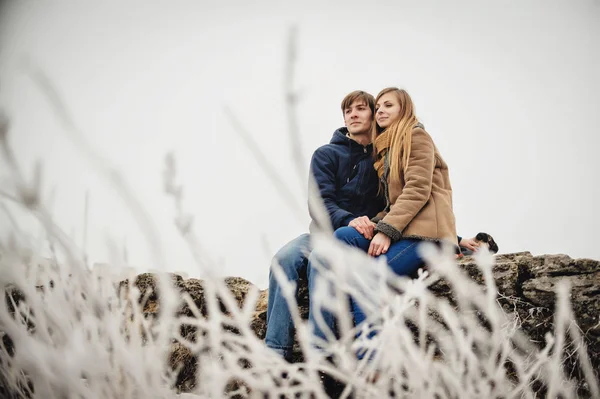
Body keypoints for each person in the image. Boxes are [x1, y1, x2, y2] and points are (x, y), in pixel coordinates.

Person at [265, 90, 383, 362]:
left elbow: (406, 202)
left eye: (360, 109)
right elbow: (320, 203)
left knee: (322, 261)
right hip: (320, 234)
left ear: (374, 114)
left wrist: (454, 239)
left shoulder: (383, 158)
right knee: (283, 260)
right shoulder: (327, 154)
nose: (352, 114)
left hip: (355, 240)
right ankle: (274, 355)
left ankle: (321, 356)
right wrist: (347, 218)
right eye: (348, 110)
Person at [333, 87, 458, 327]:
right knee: (345, 235)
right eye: (378, 107)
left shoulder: (417, 136)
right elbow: (395, 203)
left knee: (367, 280)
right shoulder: (388, 149)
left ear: (404, 108)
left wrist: (386, 231)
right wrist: (374, 222)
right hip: (407, 229)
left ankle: (372, 358)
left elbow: (418, 190)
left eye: (388, 105)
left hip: (425, 236)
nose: (380, 110)